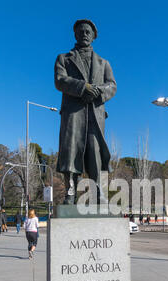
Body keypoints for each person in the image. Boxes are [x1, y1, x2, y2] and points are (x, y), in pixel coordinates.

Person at [55, 19, 117, 205]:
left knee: (95, 152)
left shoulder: (103, 62)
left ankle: (99, 192)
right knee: (71, 151)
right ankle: (70, 192)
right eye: (80, 31)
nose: (84, 34)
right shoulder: (64, 58)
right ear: (75, 34)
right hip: (73, 112)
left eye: (88, 31)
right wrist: (83, 87)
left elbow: (112, 86)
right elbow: (60, 80)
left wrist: (98, 91)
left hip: (95, 114)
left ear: (94, 36)